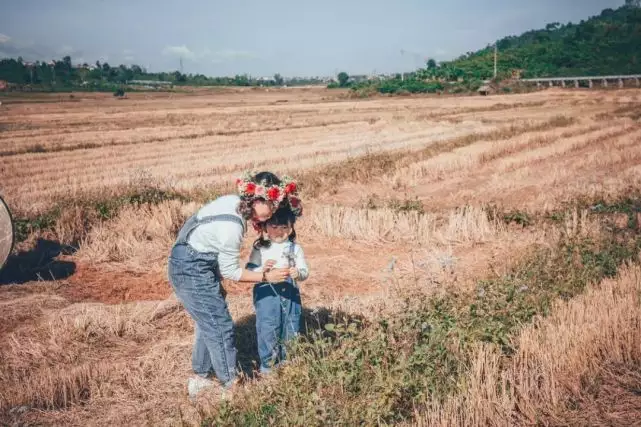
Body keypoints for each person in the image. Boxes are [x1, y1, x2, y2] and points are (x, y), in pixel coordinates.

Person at [167, 171, 299, 399]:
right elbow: (230, 271)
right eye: (272, 206)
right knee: (220, 325)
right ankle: (231, 385)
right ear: (257, 200)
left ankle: (201, 377)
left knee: (207, 320)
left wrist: (210, 273)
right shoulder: (233, 227)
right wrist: (267, 277)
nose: (274, 213)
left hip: (191, 260)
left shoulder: (231, 202)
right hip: (190, 267)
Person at [246, 201, 308, 374]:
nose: (279, 231)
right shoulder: (259, 248)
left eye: (284, 227)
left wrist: (299, 273)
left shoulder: (295, 248)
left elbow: (304, 271)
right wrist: (262, 270)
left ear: (290, 228)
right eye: (273, 226)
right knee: (268, 326)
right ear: (265, 227)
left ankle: (289, 363)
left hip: (290, 291)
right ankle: (269, 366)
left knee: (291, 323)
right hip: (266, 292)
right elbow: (250, 270)